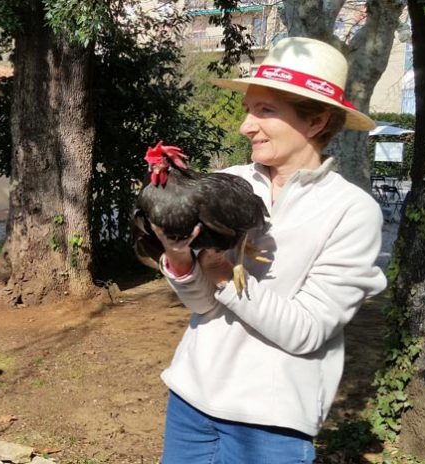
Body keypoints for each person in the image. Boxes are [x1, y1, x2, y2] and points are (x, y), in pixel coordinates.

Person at [154, 37, 387, 463]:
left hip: (270, 421)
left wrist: (222, 271)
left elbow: (307, 331)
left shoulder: (352, 212)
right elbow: (203, 306)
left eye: (265, 111)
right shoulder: (227, 183)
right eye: (248, 109)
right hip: (190, 399)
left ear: (316, 122)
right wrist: (182, 259)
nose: (246, 125)